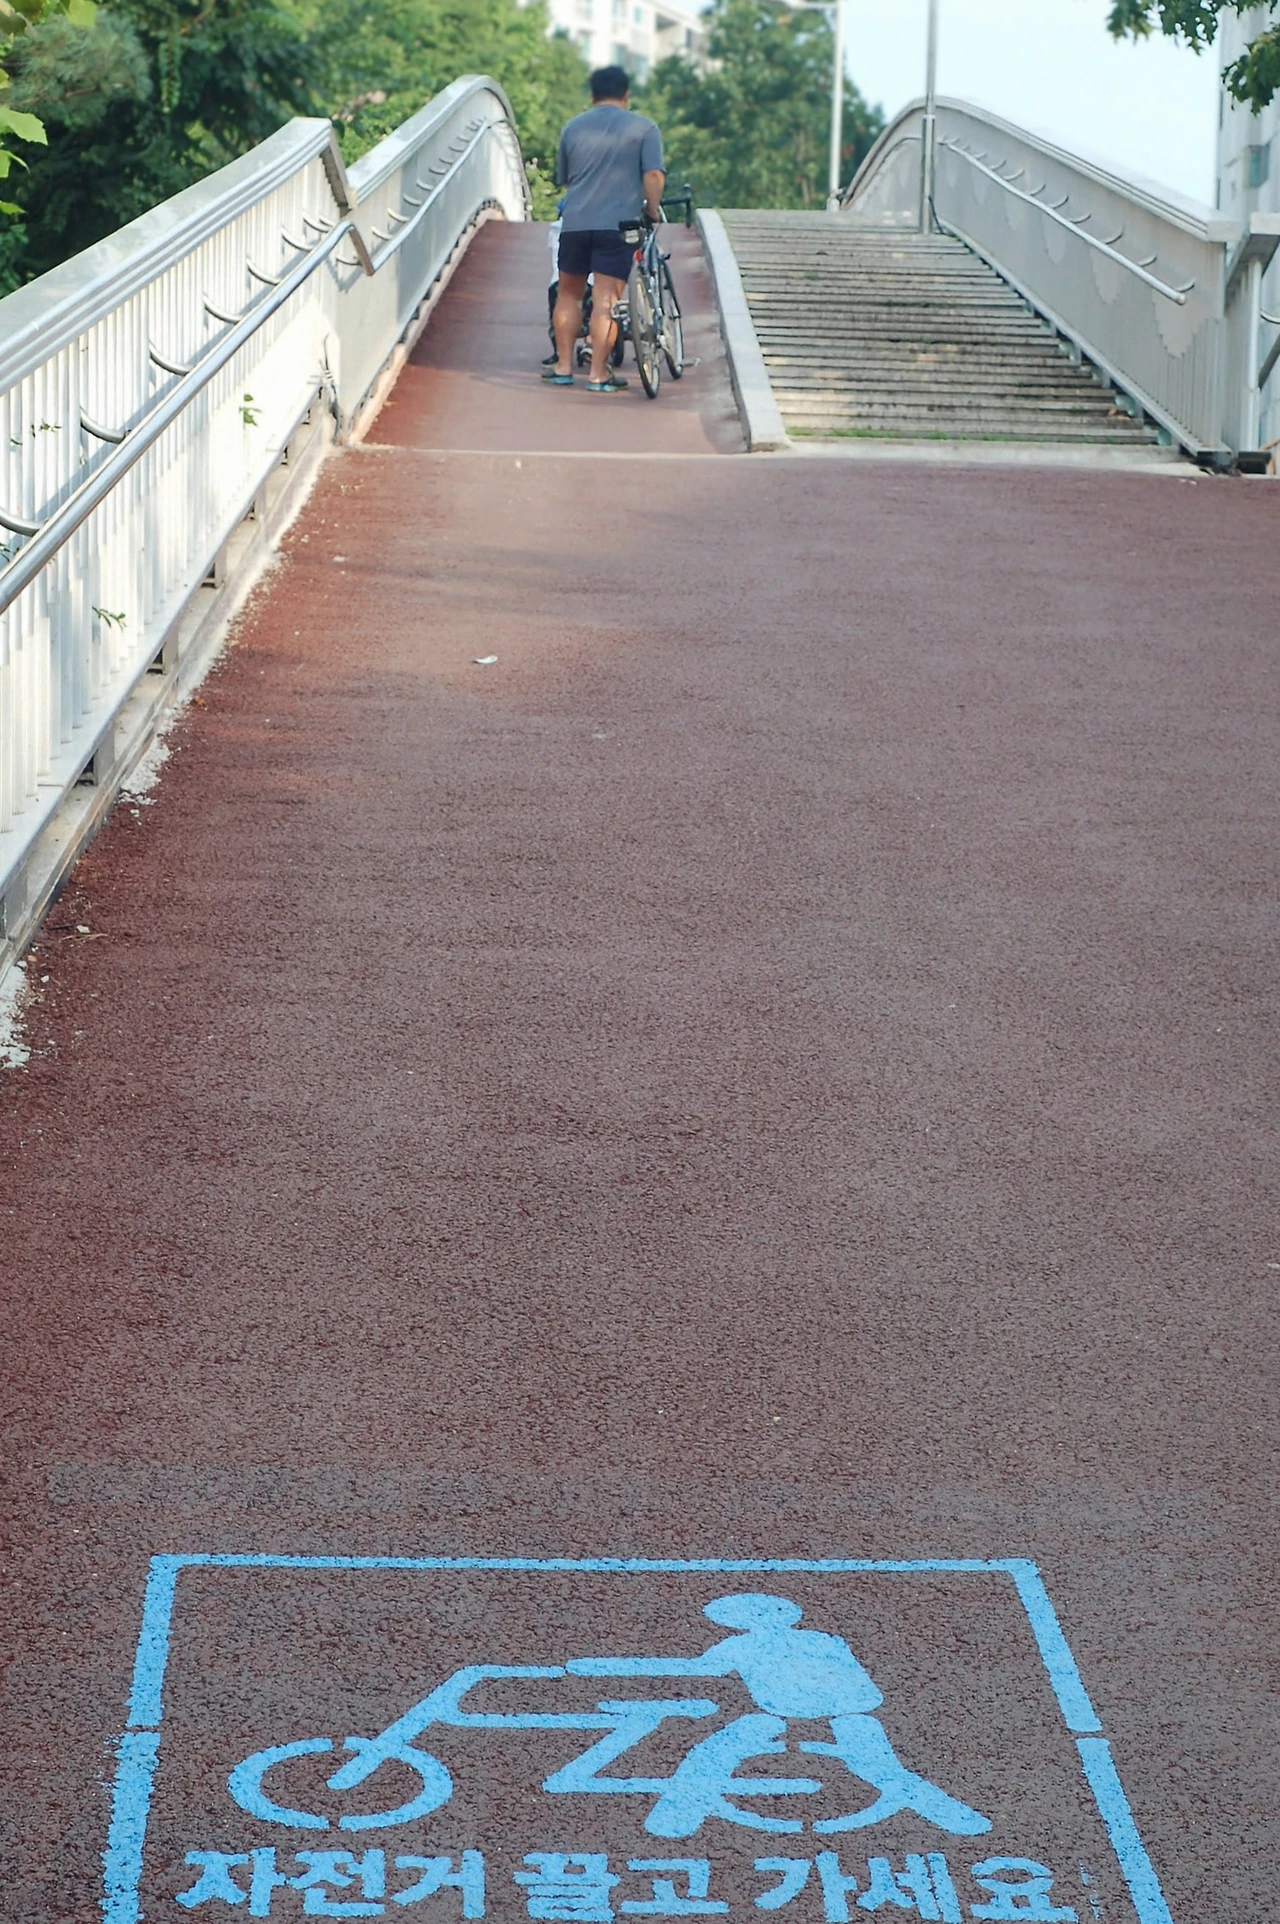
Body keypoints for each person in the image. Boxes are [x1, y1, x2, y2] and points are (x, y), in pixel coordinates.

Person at [543, 66, 666, 394]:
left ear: (592, 95)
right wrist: (652, 209)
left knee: (569, 294)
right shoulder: (644, 128)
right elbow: (654, 175)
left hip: (575, 222)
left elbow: (566, 179)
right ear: (627, 95)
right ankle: (598, 374)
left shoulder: (572, 128)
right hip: (618, 225)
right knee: (606, 299)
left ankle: (563, 367)